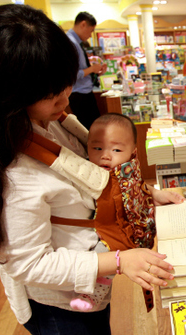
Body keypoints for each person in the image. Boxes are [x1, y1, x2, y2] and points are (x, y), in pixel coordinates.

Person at [0, 5, 181, 335]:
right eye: (53, 95)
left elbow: (92, 175)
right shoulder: (0, 165)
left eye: (66, 88)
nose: (66, 102)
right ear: (9, 91)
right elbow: (27, 262)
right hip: (59, 305)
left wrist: (145, 194)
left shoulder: (40, 120)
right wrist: (120, 261)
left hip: (88, 279)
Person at [70, 112, 165, 311]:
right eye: (97, 148)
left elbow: (136, 190)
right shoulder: (92, 170)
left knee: (104, 254)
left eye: (116, 149)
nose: (105, 155)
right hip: (101, 226)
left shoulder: (125, 172)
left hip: (122, 230)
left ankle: (92, 295)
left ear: (132, 152)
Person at [67, 11, 107, 129]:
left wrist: (95, 70)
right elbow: (72, 74)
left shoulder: (77, 43)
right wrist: (92, 69)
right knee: (91, 129)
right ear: (83, 24)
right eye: (91, 31)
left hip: (83, 92)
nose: (90, 35)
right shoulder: (71, 43)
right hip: (79, 94)